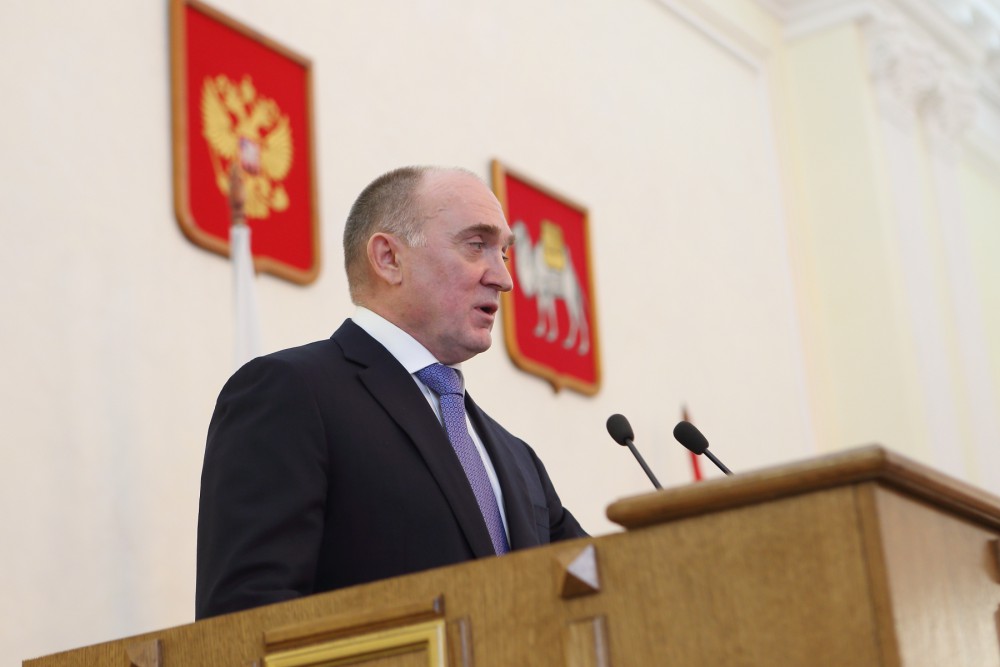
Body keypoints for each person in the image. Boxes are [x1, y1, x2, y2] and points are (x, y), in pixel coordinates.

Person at [195, 165, 587, 620]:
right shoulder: (290, 394)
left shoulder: (518, 459)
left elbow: (597, 583)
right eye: (476, 245)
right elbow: (246, 618)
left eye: (504, 253)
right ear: (388, 259)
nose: (504, 278)